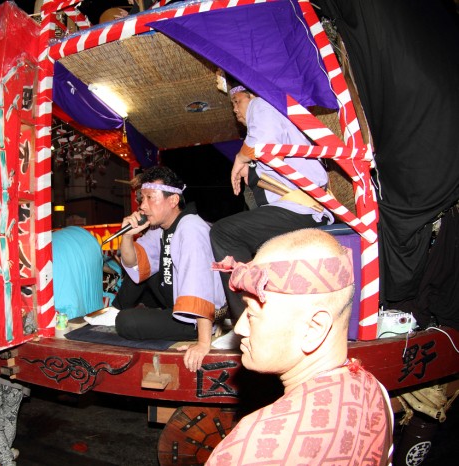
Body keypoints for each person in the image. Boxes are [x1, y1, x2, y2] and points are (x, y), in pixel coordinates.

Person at [206, 229, 393, 465]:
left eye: (251, 314)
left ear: (314, 328)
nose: (240, 328)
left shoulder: (255, 447)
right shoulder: (374, 391)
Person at [210, 77, 334, 323]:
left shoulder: (263, 104)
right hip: (297, 209)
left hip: (301, 210)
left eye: (236, 101)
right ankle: (270, 316)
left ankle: (247, 319)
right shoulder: (271, 122)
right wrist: (250, 169)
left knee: (224, 233)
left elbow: (262, 142)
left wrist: (240, 158)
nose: (234, 110)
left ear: (252, 95)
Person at [114, 166, 226, 372]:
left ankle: (204, 331)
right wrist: (127, 236)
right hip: (174, 304)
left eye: (150, 198)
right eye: (142, 199)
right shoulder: (160, 229)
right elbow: (134, 263)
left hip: (197, 316)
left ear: (173, 200)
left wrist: (203, 343)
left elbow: (200, 282)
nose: (142, 206)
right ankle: (114, 311)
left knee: (126, 322)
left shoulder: (191, 227)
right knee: (138, 269)